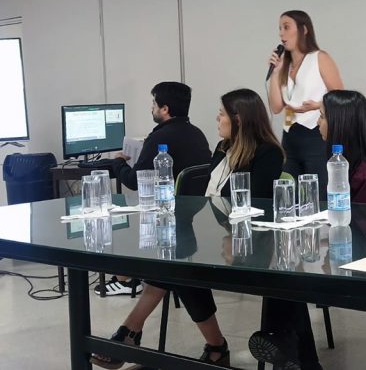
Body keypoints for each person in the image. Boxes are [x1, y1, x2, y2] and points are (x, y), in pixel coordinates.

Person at [91, 88, 283, 370]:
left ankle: (133, 333)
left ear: (239, 119)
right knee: (175, 261)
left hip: (250, 243)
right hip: (219, 234)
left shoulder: (268, 153)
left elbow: (253, 204)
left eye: (221, 113)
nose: (217, 118)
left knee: (177, 265)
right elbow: (212, 197)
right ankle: (198, 344)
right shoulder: (223, 148)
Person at [249, 89, 366, 370]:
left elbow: (361, 231)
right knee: (282, 267)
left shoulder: (363, 171)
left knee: (285, 273)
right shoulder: (350, 162)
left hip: (362, 265)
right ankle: (290, 348)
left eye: (323, 117)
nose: (318, 123)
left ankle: (290, 348)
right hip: (344, 252)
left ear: (342, 123)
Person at [98, 81, 211, 296]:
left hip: (166, 218)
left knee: (119, 221)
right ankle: (129, 279)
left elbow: (134, 181)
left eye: (154, 103)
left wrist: (118, 162)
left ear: (165, 109)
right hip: (192, 213)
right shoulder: (197, 133)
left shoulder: (160, 137)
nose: (151, 107)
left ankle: (125, 280)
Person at [266, 10, 343, 198]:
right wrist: (275, 72)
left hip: (316, 135)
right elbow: (276, 107)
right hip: (290, 136)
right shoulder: (284, 65)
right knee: (290, 194)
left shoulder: (319, 58)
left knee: (318, 193)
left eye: (286, 27)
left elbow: (340, 98)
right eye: (279, 28)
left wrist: (317, 106)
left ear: (304, 29)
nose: (281, 34)